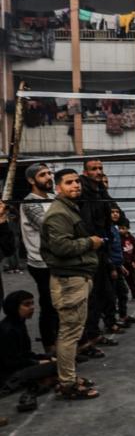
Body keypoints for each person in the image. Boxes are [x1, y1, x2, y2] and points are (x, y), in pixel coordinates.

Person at [40, 168, 102, 400]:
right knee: (69, 333)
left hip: (76, 277)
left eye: (77, 181)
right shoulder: (59, 214)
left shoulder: (69, 209)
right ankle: (67, 383)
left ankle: (68, 376)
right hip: (68, 280)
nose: (76, 185)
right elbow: (61, 248)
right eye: (69, 183)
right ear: (58, 187)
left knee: (72, 331)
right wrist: (91, 242)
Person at [77, 158, 118, 354]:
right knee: (90, 298)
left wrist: (117, 216)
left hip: (101, 248)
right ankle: (87, 339)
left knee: (103, 293)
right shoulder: (83, 191)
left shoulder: (100, 189)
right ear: (85, 172)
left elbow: (112, 208)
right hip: (88, 249)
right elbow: (85, 221)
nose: (99, 171)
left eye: (101, 168)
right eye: (94, 169)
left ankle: (94, 333)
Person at [19, 163, 59, 353]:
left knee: (60, 303)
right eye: (43, 175)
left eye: (49, 173)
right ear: (31, 180)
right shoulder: (30, 202)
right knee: (49, 304)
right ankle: (49, 346)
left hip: (58, 259)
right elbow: (49, 227)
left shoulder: (53, 198)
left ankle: (62, 344)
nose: (48, 177)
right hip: (41, 262)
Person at [0, 291, 58, 413]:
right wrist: (38, 362)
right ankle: (38, 385)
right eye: (26, 305)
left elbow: (25, 353)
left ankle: (44, 380)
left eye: (32, 304)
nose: (32, 308)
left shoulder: (19, 323)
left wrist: (44, 358)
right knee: (59, 365)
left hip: (19, 366)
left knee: (60, 358)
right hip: (9, 374)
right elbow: (10, 362)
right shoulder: (8, 330)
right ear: (14, 307)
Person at [119, 219, 135, 301]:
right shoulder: (118, 239)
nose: (121, 230)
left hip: (131, 264)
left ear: (128, 228)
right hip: (122, 264)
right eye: (119, 228)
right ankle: (120, 298)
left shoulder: (131, 238)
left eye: (123, 228)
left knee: (132, 280)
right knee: (120, 282)